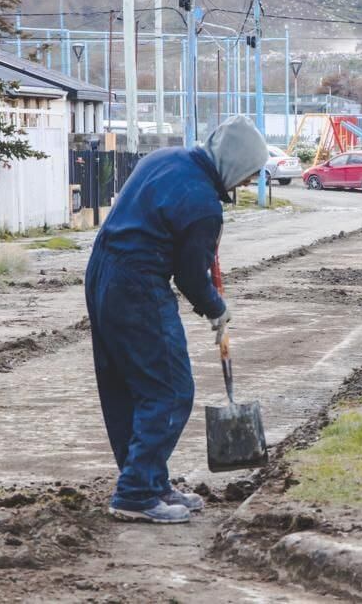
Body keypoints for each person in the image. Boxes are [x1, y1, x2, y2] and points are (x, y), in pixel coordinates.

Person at [84, 115, 268, 524]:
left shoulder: (165, 158)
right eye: (247, 175)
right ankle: (135, 494)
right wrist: (216, 308)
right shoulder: (203, 206)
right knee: (170, 390)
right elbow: (189, 277)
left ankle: (148, 481)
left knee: (127, 386)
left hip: (101, 272)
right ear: (234, 164)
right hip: (138, 283)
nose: (243, 184)